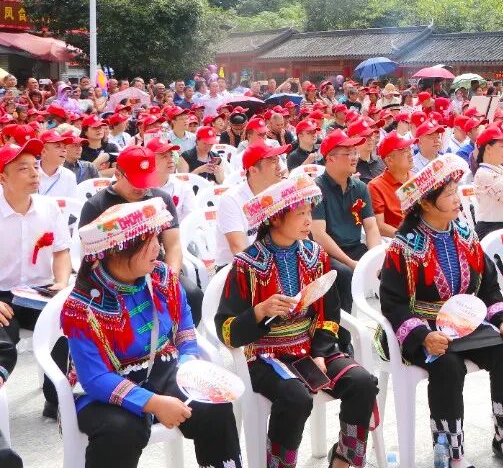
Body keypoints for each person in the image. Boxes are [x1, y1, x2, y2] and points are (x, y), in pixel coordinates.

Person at [61, 197, 242, 468]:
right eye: (148, 241)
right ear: (118, 249)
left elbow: (184, 326)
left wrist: (188, 365)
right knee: (121, 431)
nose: (158, 247)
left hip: (163, 369)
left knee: (213, 404)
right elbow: (95, 378)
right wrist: (153, 403)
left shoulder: (162, 277)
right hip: (104, 389)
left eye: (157, 237)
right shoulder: (81, 307)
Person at [216, 175, 380, 468]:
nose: (308, 220)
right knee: (296, 397)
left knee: (363, 383)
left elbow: (330, 313)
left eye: (309, 212)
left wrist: (320, 352)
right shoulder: (246, 265)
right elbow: (226, 330)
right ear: (275, 218)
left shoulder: (315, 255)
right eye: (300, 213)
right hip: (265, 356)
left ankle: (344, 460)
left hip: (311, 348)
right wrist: (259, 311)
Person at [379, 154, 503, 467]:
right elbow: (392, 303)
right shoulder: (403, 247)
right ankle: (449, 454)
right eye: (448, 194)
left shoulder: (465, 234)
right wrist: (423, 336)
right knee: (447, 366)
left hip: (467, 322)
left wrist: (502, 320)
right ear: (426, 203)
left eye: (456, 191)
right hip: (425, 327)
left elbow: (488, 286)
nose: (457, 198)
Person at [79, 145, 204, 325]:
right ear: (118, 174)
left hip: (155, 269)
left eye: (146, 180)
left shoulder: (160, 199)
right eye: (135, 181)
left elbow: (173, 245)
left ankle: (178, 335)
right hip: (115, 275)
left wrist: (171, 280)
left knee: (193, 295)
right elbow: (91, 256)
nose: (141, 187)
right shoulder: (96, 205)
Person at [0, 138, 72, 420]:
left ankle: (57, 399)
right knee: (3, 340)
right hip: (2, 295)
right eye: (23, 168)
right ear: (3, 178)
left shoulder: (49, 207)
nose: (34, 173)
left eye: (35, 166)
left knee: (68, 325)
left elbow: (62, 252)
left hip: (39, 291)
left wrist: (61, 283)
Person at [312, 130, 382, 314]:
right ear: (330, 158)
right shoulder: (316, 189)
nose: (354, 157)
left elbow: (371, 227)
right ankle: (344, 328)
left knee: (391, 265)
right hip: (328, 254)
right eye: (348, 153)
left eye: (355, 152)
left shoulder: (360, 187)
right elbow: (319, 235)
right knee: (345, 273)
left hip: (355, 247)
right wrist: (351, 263)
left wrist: (374, 258)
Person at [214, 140, 289, 269]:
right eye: (272, 162)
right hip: (235, 268)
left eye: (278, 160)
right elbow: (239, 249)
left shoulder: (278, 193)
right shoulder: (231, 200)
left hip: (273, 262)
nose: (279, 167)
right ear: (253, 170)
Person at [472, 126, 503, 239]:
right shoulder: (484, 174)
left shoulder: (499, 169)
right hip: (492, 231)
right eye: (502, 146)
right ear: (488, 148)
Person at [368, 132, 414, 238]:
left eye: (409, 149)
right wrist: (407, 239)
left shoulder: (415, 178)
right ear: (389, 160)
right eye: (404, 151)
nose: (410, 154)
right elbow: (379, 226)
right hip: (398, 239)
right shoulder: (375, 186)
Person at [36, 129, 79, 199]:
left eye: (65, 147)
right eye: (58, 146)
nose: (64, 150)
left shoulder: (69, 176)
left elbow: (72, 203)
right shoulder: (29, 171)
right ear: (43, 152)